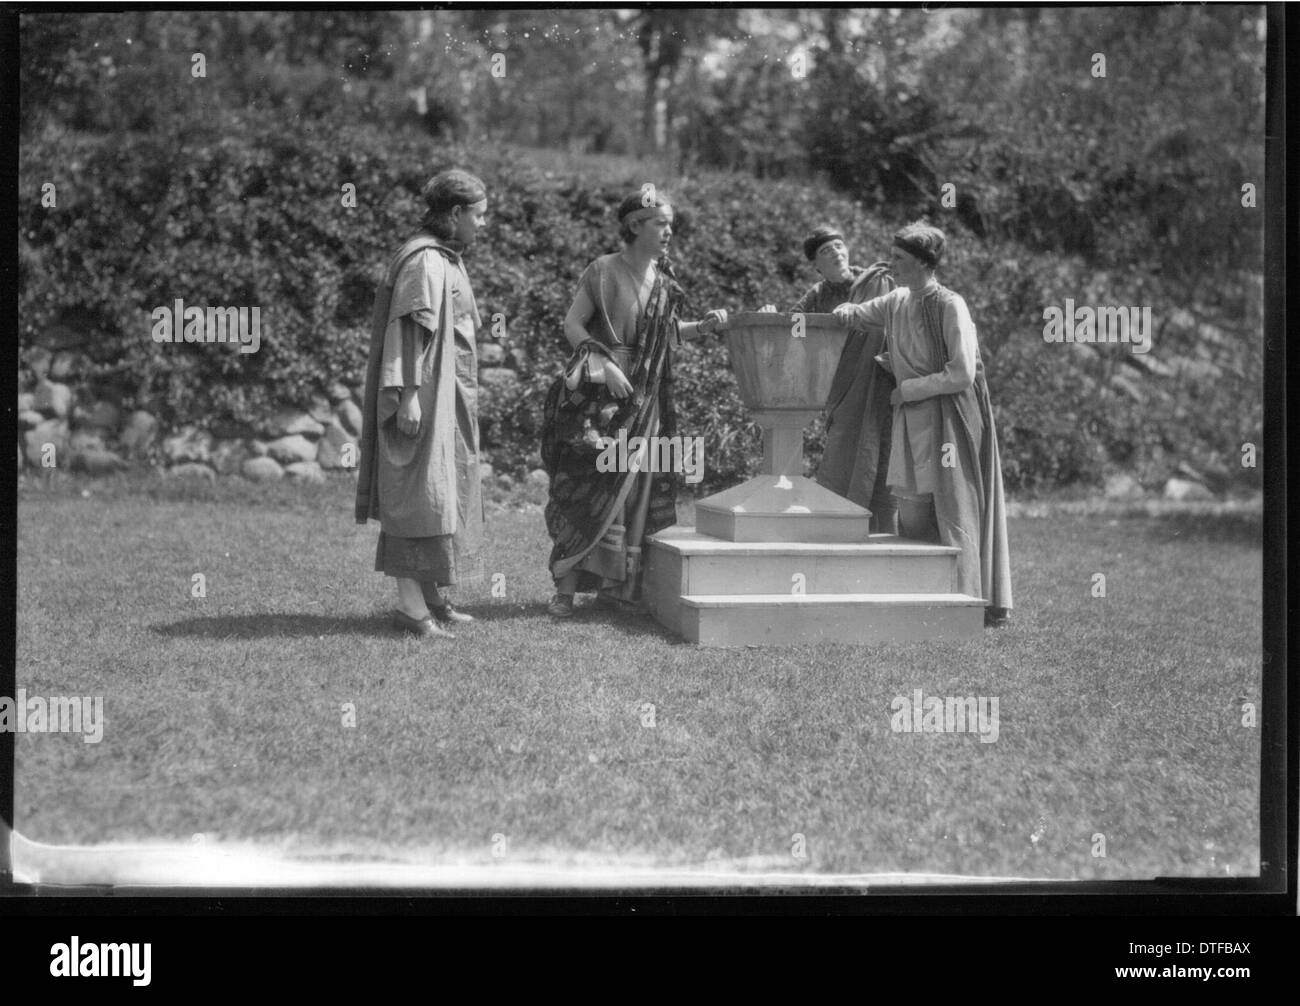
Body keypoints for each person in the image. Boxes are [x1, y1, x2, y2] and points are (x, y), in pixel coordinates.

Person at [541, 191, 726, 618]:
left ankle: (617, 589)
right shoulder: (603, 270)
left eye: (670, 224)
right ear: (635, 225)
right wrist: (602, 364)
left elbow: (667, 335)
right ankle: (565, 590)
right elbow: (571, 323)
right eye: (660, 223)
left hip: (647, 396)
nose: (668, 232)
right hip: (599, 395)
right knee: (587, 485)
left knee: (633, 491)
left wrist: (706, 326)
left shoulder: (664, 282)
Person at [832, 222, 1012, 625]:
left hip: (951, 414)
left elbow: (962, 373)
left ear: (923, 263)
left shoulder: (951, 304)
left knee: (954, 506)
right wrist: (847, 310)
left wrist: (908, 389)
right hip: (911, 415)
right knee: (911, 505)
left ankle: (968, 602)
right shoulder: (896, 299)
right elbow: (861, 314)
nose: (890, 265)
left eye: (899, 259)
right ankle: (922, 599)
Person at [355, 169, 488, 639]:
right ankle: (411, 610)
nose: (482, 224)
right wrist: (407, 396)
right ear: (454, 214)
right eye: (478, 215)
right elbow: (408, 330)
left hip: (443, 399)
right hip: (421, 399)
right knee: (415, 496)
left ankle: (432, 596)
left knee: (440, 495)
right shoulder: (424, 261)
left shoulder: (444, 258)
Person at [760, 225, 898, 532]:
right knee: (842, 453)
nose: (835, 253)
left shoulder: (877, 280)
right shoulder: (816, 296)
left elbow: (901, 318)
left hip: (882, 384)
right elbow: (790, 329)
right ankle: (840, 528)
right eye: (825, 251)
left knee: (884, 458)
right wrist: (770, 314)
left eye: (838, 246)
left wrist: (858, 311)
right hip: (844, 392)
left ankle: (886, 533)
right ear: (816, 266)